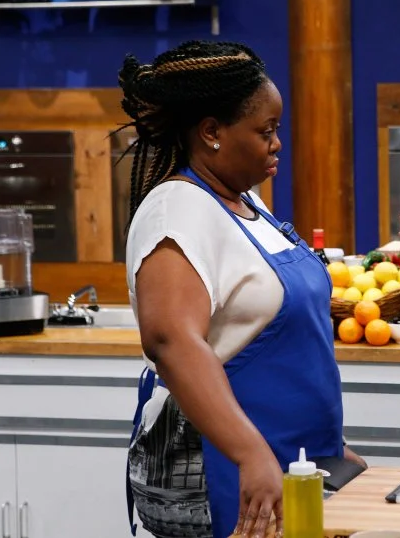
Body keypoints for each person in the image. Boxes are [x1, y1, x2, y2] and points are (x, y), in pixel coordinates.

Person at [119, 40, 365, 538]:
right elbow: (170, 340)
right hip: (216, 466)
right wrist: (250, 452)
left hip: (289, 456)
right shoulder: (177, 209)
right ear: (211, 132)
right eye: (265, 131)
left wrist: (329, 448)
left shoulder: (247, 204)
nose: (277, 143)